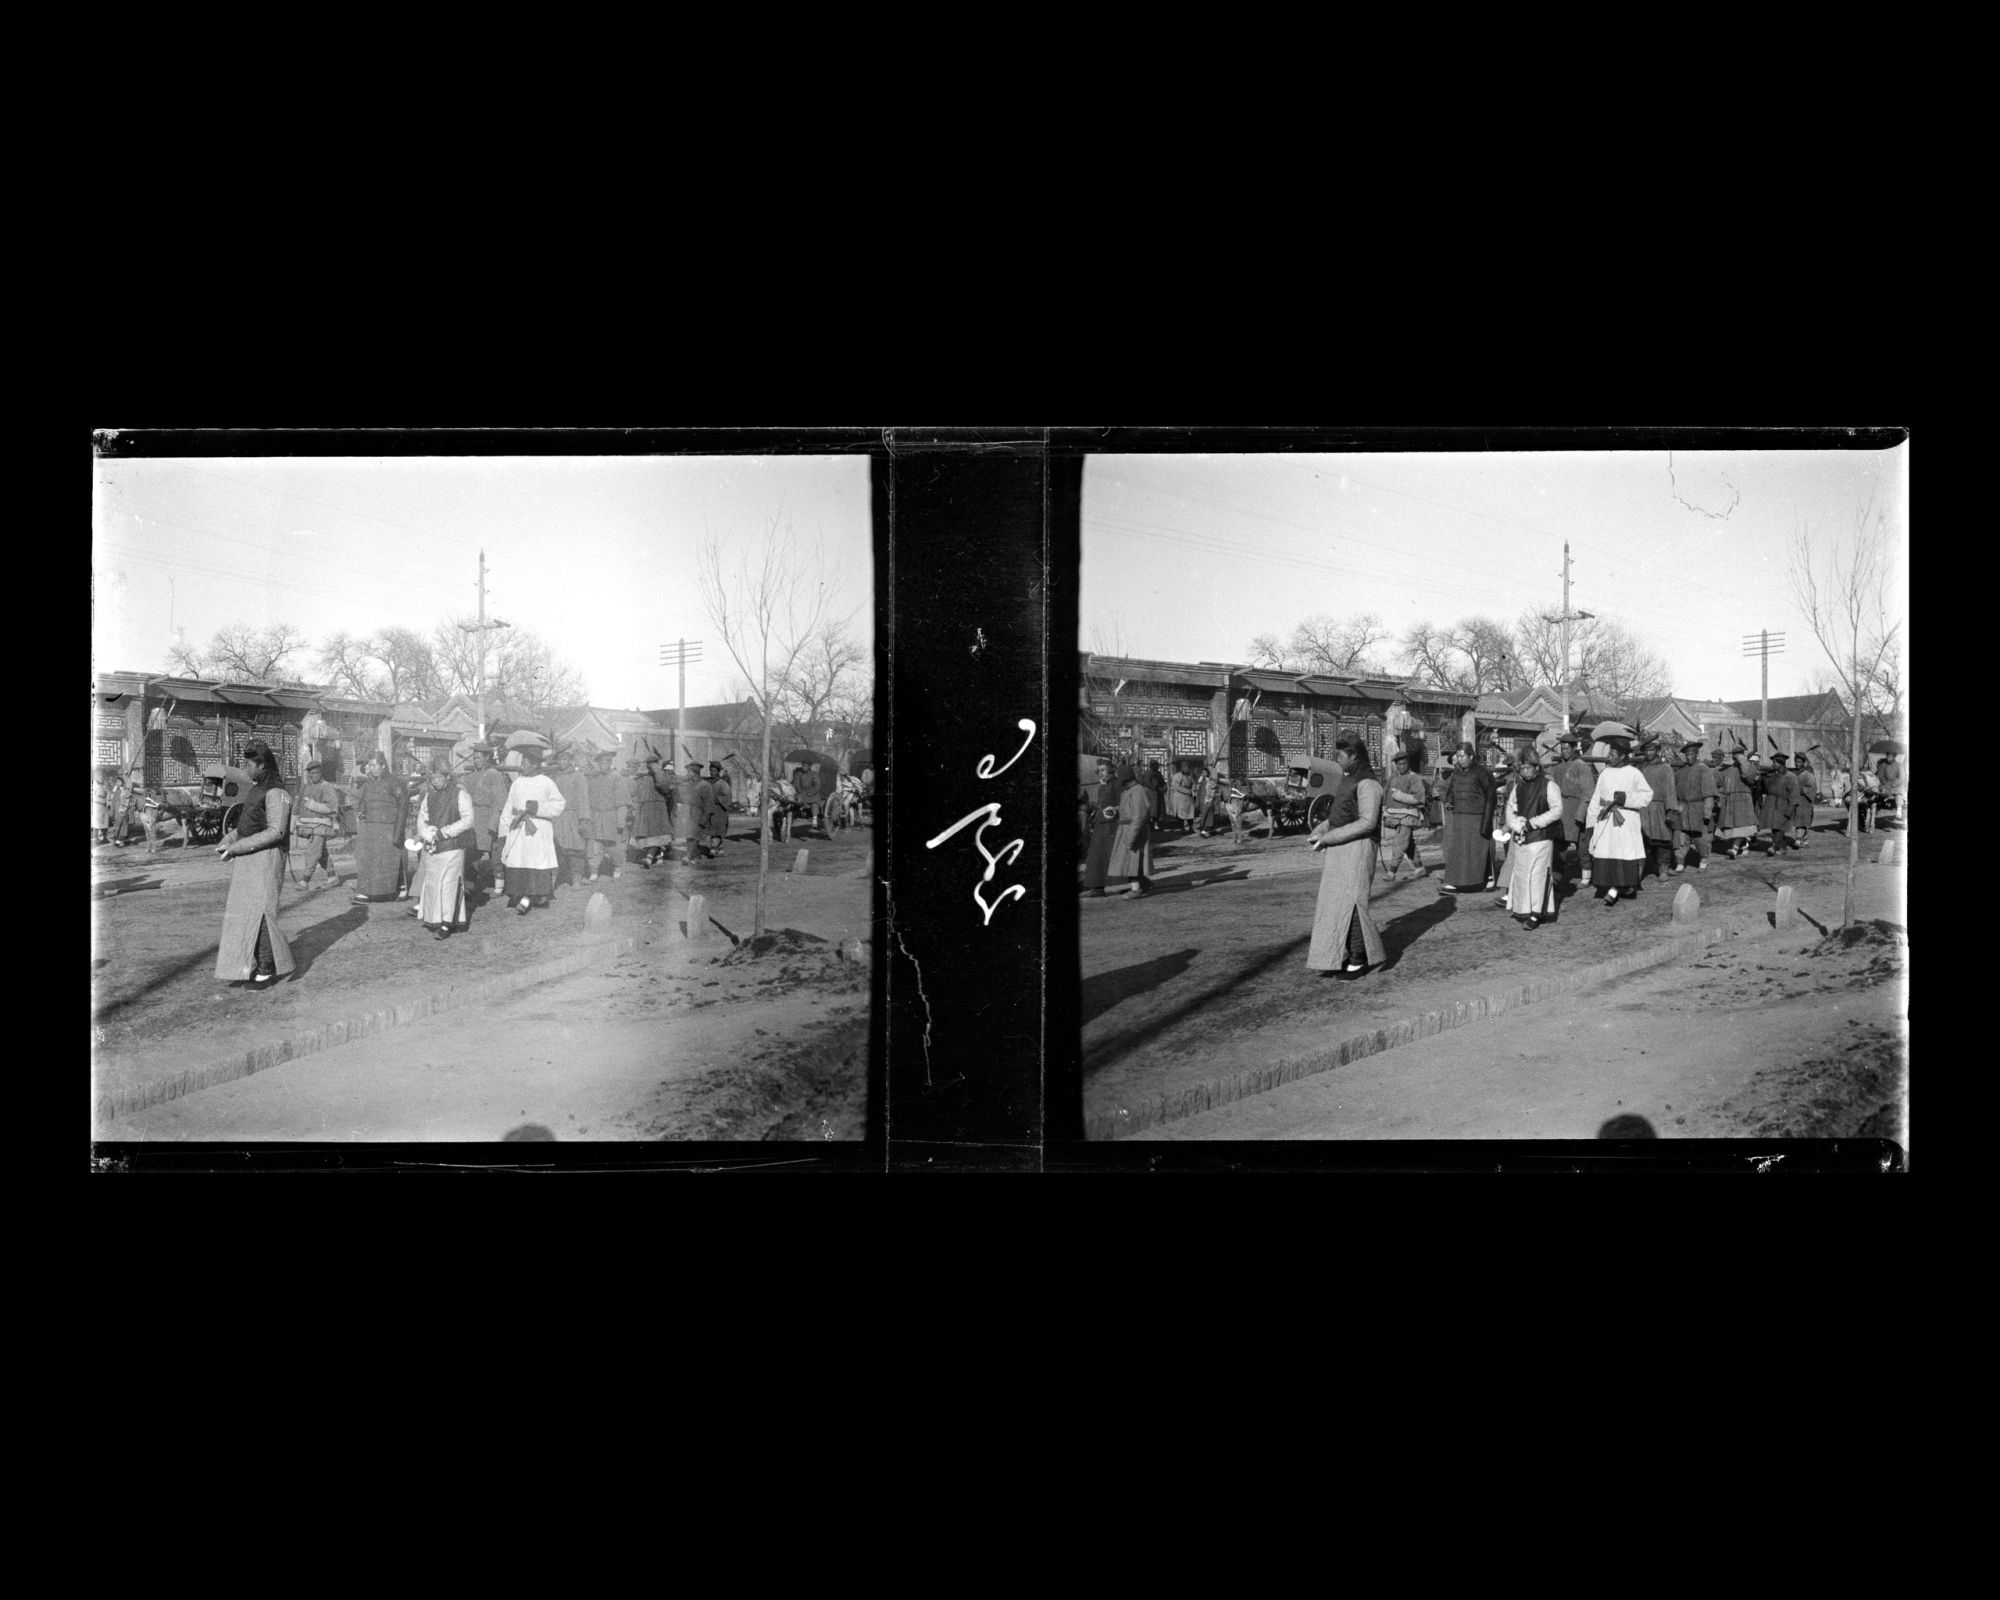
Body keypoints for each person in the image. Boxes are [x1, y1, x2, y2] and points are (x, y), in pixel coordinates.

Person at [213, 739, 296, 989]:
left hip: (267, 858)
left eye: (248, 764)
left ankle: (267, 968)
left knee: (261, 915)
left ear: (260, 764)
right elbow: (247, 826)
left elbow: (276, 832)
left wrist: (236, 847)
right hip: (250, 857)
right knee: (246, 914)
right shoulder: (257, 789)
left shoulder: (276, 792)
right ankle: (252, 964)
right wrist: (229, 840)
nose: (245, 769)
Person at [1305, 731, 1388, 978]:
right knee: (1337, 904)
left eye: (1340, 756)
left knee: (1353, 905)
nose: (1337, 760)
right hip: (1341, 848)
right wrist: (1321, 830)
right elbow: (1338, 817)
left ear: (1353, 755)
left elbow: (1367, 823)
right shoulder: (1348, 778)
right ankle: (1340, 955)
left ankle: (1358, 959)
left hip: (1359, 848)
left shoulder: (1368, 783)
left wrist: (1329, 837)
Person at [1585, 733, 1654, 905]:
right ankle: (1613, 885)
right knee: (1608, 852)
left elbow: (1647, 795)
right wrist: (1591, 820)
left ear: (1623, 755)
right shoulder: (1605, 774)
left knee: (1624, 853)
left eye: (1612, 754)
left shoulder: (1634, 773)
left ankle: (1616, 889)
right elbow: (1596, 797)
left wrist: (1627, 799)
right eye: (1609, 753)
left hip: (1625, 821)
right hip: (1606, 819)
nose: (1609, 757)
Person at [1499, 748, 1564, 928]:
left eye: (1528, 767)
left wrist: (1533, 823)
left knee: (1537, 875)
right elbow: (1510, 807)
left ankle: (1537, 913)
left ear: (1536, 767)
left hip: (1541, 837)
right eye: (1522, 768)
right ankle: (1523, 907)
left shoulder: (1549, 785)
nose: (1524, 771)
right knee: (1521, 873)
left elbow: (1557, 810)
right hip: (1522, 836)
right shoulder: (1519, 786)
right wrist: (1514, 823)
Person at [498, 745, 566, 915]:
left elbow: (559, 804)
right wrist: (505, 827)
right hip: (519, 828)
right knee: (519, 859)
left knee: (536, 861)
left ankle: (532, 897)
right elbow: (509, 806)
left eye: (526, 763)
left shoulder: (546, 782)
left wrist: (539, 808)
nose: (523, 766)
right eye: (522, 762)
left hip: (537, 829)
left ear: (535, 765)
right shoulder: (518, 783)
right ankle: (519, 893)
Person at [415, 757, 477, 939]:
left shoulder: (460, 794)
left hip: (452, 846)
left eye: (438, 777)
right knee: (433, 883)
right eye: (432, 778)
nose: (435, 781)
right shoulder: (430, 795)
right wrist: (425, 831)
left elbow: (468, 820)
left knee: (448, 884)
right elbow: (422, 816)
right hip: (433, 846)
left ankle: (447, 923)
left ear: (447, 776)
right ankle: (434, 918)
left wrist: (445, 832)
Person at [350, 752, 409, 904]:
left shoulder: (396, 782)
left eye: (374, 765)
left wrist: (398, 832)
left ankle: (402, 888)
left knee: (393, 860)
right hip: (371, 827)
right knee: (369, 860)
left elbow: (403, 808)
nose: (371, 768)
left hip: (389, 828)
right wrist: (362, 812)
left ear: (383, 766)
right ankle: (365, 892)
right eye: (370, 765)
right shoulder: (369, 783)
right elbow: (364, 801)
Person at [1438, 742, 1495, 895]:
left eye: (1462, 756)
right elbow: (1452, 790)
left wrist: (1486, 822)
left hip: (1477, 818)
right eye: (1458, 756)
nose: (1459, 759)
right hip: (1460, 818)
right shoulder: (1456, 773)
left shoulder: (1483, 773)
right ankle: (1453, 882)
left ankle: (1489, 878)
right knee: (1457, 851)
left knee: (1478, 850)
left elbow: (1490, 798)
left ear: (1471, 756)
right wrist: (1450, 801)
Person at [288, 759, 344, 889]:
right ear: (308, 774)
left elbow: (332, 807)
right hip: (308, 827)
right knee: (321, 852)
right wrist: (292, 826)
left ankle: (305, 881)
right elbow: (296, 806)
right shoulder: (305, 787)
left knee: (313, 852)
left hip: (321, 826)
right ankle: (332, 876)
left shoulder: (327, 787)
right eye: (311, 773)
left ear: (321, 773)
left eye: (316, 773)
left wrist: (314, 806)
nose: (314, 775)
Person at [467, 744, 512, 902]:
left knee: (495, 853)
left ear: (487, 757)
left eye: (479, 757)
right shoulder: (472, 775)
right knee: (473, 851)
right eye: (474, 757)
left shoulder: (494, 775)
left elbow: (501, 801)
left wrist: (493, 823)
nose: (475, 760)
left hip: (489, 817)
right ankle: (471, 884)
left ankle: (499, 885)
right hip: (474, 817)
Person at [1105, 760, 1155, 896]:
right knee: (1130, 861)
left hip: (1135, 831)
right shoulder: (1129, 791)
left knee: (1133, 861)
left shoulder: (1138, 791)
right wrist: (1115, 810)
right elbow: (1129, 808)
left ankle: (1136, 888)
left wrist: (1131, 838)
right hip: (1127, 829)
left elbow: (1139, 815)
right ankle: (1143, 884)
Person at [1380, 749, 1429, 883]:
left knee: (1399, 843)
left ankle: (1392, 871)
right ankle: (1420, 868)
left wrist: (1400, 796)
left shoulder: (1414, 777)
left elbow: (1418, 798)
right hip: (1395, 816)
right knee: (1408, 844)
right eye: (1399, 764)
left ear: (1408, 764)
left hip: (1408, 817)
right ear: (1396, 764)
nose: (1402, 766)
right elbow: (1385, 793)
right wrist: (1384, 806)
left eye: (1404, 763)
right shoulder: (1392, 778)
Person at [1553, 735, 1595, 885]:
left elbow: (1588, 792)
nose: (1563, 751)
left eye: (1566, 748)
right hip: (1562, 810)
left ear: (1573, 748)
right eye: (1561, 748)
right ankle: (1556, 878)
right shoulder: (1558, 767)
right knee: (1559, 846)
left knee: (1582, 845)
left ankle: (1586, 876)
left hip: (1577, 809)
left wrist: (1581, 813)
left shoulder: (1581, 766)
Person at [584, 749, 631, 880]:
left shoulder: (618, 778)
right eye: (600, 763)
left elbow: (623, 803)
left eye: (605, 762)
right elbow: (588, 800)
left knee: (615, 846)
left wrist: (621, 821)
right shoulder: (594, 779)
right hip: (596, 817)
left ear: (610, 763)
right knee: (594, 845)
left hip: (612, 817)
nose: (602, 765)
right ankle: (593, 870)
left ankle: (617, 868)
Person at [1672, 739, 1719, 872]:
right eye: (1686, 754)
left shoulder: (1704, 770)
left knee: (1701, 838)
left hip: (1699, 809)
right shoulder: (1680, 772)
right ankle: (1680, 862)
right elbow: (1674, 792)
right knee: (1680, 836)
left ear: (1697, 754)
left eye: (1692, 754)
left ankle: (1703, 861)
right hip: (1683, 809)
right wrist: (1676, 807)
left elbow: (1709, 793)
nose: (1689, 757)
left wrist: (1707, 813)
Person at [551, 749, 594, 887]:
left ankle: (577, 878)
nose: (562, 762)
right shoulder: (554, 777)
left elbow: (584, 799)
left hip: (573, 817)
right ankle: (561, 877)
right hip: (557, 818)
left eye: (565, 759)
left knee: (576, 849)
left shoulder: (578, 777)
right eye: (560, 759)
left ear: (570, 761)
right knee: (558, 848)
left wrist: (584, 819)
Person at [1638, 741, 1681, 881]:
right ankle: (1641, 870)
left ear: (1657, 751)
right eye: (1646, 750)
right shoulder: (1639, 768)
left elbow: (1669, 791)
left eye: (1651, 750)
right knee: (1642, 840)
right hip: (1642, 809)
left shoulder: (1665, 768)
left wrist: (1670, 810)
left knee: (1662, 840)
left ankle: (1663, 869)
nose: (1649, 753)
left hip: (1659, 809)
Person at [1081, 757, 1120, 897]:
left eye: (1103, 770)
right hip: (1100, 825)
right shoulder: (1102, 786)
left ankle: (1136, 882)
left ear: (1111, 770)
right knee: (1096, 856)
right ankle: (1098, 887)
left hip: (1112, 826)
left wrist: (1114, 810)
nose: (1101, 773)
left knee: (1110, 855)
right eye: (1099, 771)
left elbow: (1123, 804)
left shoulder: (1116, 784)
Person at [1714, 748, 1759, 858]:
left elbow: (1748, 776)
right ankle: (1744, 847)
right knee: (1734, 827)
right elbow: (1718, 780)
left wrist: (1742, 760)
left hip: (1743, 801)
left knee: (1743, 826)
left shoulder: (1749, 767)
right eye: (1734, 756)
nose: (1735, 758)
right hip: (1730, 801)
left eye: (1737, 755)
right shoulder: (1729, 769)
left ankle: (1735, 849)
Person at [631, 754, 674, 868]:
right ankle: (657, 857)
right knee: (648, 835)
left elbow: (663, 786)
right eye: (648, 764)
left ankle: (650, 858)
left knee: (657, 834)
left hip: (657, 809)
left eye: (652, 764)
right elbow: (635, 792)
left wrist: (656, 770)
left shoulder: (661, 775)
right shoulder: (642, 777)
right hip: (644, 808)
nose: (649, 767)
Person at [1755, 752, 1799, 854]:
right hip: (1771, 804)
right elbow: (1764, 789)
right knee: (1774, 828)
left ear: (1781, 763)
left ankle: (1774, 847)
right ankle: (1782, 848)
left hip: (1784, 805)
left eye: (1775, 762)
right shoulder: (1771, 776)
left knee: (1780, 827)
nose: (1772, 764)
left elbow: (1794, 794)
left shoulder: (1791, 776)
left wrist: (1790, 809)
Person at [679, 760, 712, 865]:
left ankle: (689, 856)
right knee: (689, 836)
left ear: (695, 772)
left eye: (689, 772)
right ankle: (695, 857)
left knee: (694, 836)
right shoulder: (688, 785)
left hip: (699, 814)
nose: (687, 774)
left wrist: (705, 818)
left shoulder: (705, 785)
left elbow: (709, 804)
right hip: (688, 813)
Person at [705, 761, 732, 854]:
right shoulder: (707, 782)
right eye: (711, 770)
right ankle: (720, 848)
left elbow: (727, 797)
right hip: (710, 810)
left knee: (718, 829)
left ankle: (713, 848)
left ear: (718, 771)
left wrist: (716, 799)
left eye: (714, 771)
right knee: (713, 830)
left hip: (720, 810)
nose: (712, 773)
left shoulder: (723, 784)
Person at [1791, 757, 1818, 848]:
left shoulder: (1808, 775)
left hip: (1805, 802)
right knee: (1799, 820)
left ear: (1804, 763)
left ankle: (1798, 839)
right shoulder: (1793, 774)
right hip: (1795, 801)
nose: (1797, 764)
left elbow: (1812, 788)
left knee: (1802, 820)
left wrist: (1802, 790)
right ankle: (1805, 839)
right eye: (1796, 762)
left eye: (1799, 762)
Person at [1169, 763, 1195, 831]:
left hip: (1189, 798)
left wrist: (1193, 790)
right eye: (1186, 767)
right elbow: (1177, 787)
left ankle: (1191, 827)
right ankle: (1182, 828)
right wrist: (1188, 791)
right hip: (1180, 797)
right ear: (1182, 768)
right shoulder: (1177, 776)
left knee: (1190, 813)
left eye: (1188, 767)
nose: (1187, 769)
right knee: (1181, 814)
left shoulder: (1189, 776)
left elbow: (1193, 784)